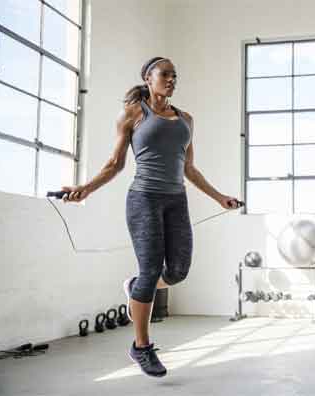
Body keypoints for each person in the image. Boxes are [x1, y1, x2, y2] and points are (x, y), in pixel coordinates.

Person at [60, 56, 241, 377]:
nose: (171, 80)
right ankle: (141, 347)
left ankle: (136, 286)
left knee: (179, 270)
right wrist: (85, 189)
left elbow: (189, 169)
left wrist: (219, 198)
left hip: (176, 200)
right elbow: (115, 164)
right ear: (148, 78)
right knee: (151, 269)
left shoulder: (186, 119)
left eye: (175, 75)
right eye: (165, 74)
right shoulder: (132, 114)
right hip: (143, 198)